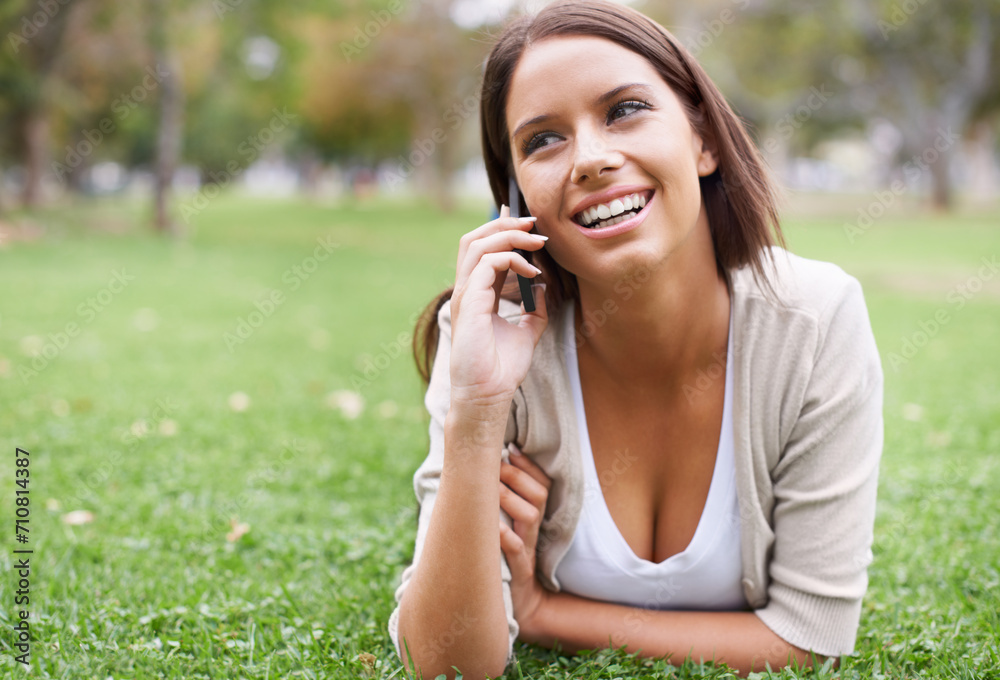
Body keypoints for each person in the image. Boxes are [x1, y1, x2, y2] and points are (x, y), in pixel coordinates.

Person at [387, 1, 883, 678]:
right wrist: (476, 413)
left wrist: (544, 616)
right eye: (542, 141)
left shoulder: (816, 321)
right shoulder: (488, 335)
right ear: (514, 201)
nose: (590, 160)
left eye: (624, 110)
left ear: (702, 139)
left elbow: (807, 635)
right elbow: (445, 665)